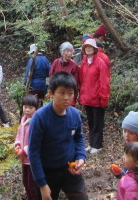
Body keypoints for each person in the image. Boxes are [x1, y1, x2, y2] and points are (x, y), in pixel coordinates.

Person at [28, 72, 88, 200]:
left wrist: (81, 157)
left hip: (69, 167)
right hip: (47, 172)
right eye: (61, 93)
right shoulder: (40, 118)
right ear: (51, 93)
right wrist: (42, 184)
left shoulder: (75, 114)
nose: (66, 97)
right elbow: (33, 152)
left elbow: (79, 138)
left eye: (70, 93)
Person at [78, 38, 110, 155]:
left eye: (90, 47)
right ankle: (91, 143)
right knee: (91, 122)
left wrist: (104, 97)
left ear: (95, 49)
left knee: (98, 122)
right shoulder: (84, 63)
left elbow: (104, 81)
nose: (88, 49)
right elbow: (82, 80)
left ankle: (98, 144)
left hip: (97, 97)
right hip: (87, 97)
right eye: (86, 47)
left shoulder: (100, 62)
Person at [14, 95, 40, 200]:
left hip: (32, 159)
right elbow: (19, 134)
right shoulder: (23, 120)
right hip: (24, 158)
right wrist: (17, 145)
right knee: (25, 182)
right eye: (25, 107)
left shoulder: (36, 122)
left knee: (32, 184)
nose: (27, 110)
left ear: (36, 109)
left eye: (31, 107)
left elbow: (35, 142)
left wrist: (24, 151)